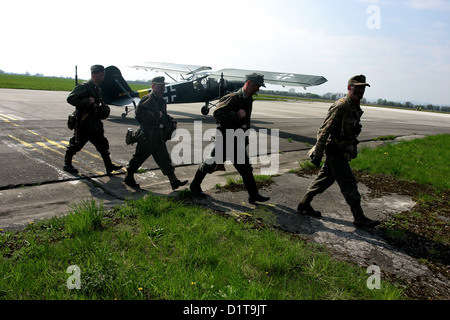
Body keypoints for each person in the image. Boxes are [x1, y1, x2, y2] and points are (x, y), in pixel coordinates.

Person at [297, 75, 380, 228]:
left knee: (324, 180)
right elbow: (324, 130)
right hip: (335, 151)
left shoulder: (354, 106)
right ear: (349, 88)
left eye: (363, 88)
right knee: (349, 184)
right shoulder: (341, 106)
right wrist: (318, 153)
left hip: (342, 150)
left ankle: (304, 203)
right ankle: (359, 217)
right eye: (357, 87)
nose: (361, 90)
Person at [189, 73, 270, 205]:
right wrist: (236, 114)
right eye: (256, 86)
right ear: (248, 83)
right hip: (226, 138)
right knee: (210, 164)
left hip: (237, 140)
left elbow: (245, 121)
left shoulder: (248, 98)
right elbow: (217, 112)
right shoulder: (233, 97)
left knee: (246, 169)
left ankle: (253, 195)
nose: (258, 89)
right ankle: (194, 185)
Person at [124, 76, 188, 190]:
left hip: (158, 135)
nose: (163, 89)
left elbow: (163, 114)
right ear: (153, 86)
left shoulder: (161, 100)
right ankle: (129, 177)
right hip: (148, 135)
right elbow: (138, 115)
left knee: (164, 158)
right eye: (160, 86)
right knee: (139, 157)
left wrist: (171, 120)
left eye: (163, 86)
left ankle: (174, 181)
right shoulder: (147, 99)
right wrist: (155, 116)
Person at [64, 65, 122, 174]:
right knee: (75, 145)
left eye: (103, 75)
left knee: (103, 145)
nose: (103, 77)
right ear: (93, 75)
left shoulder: (96, 88)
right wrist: (86, 101)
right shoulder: (84, 87)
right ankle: (67, 164)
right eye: (101, 75)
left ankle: (109, 166)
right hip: (84, 124)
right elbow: (70, 99)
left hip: (95, 123)